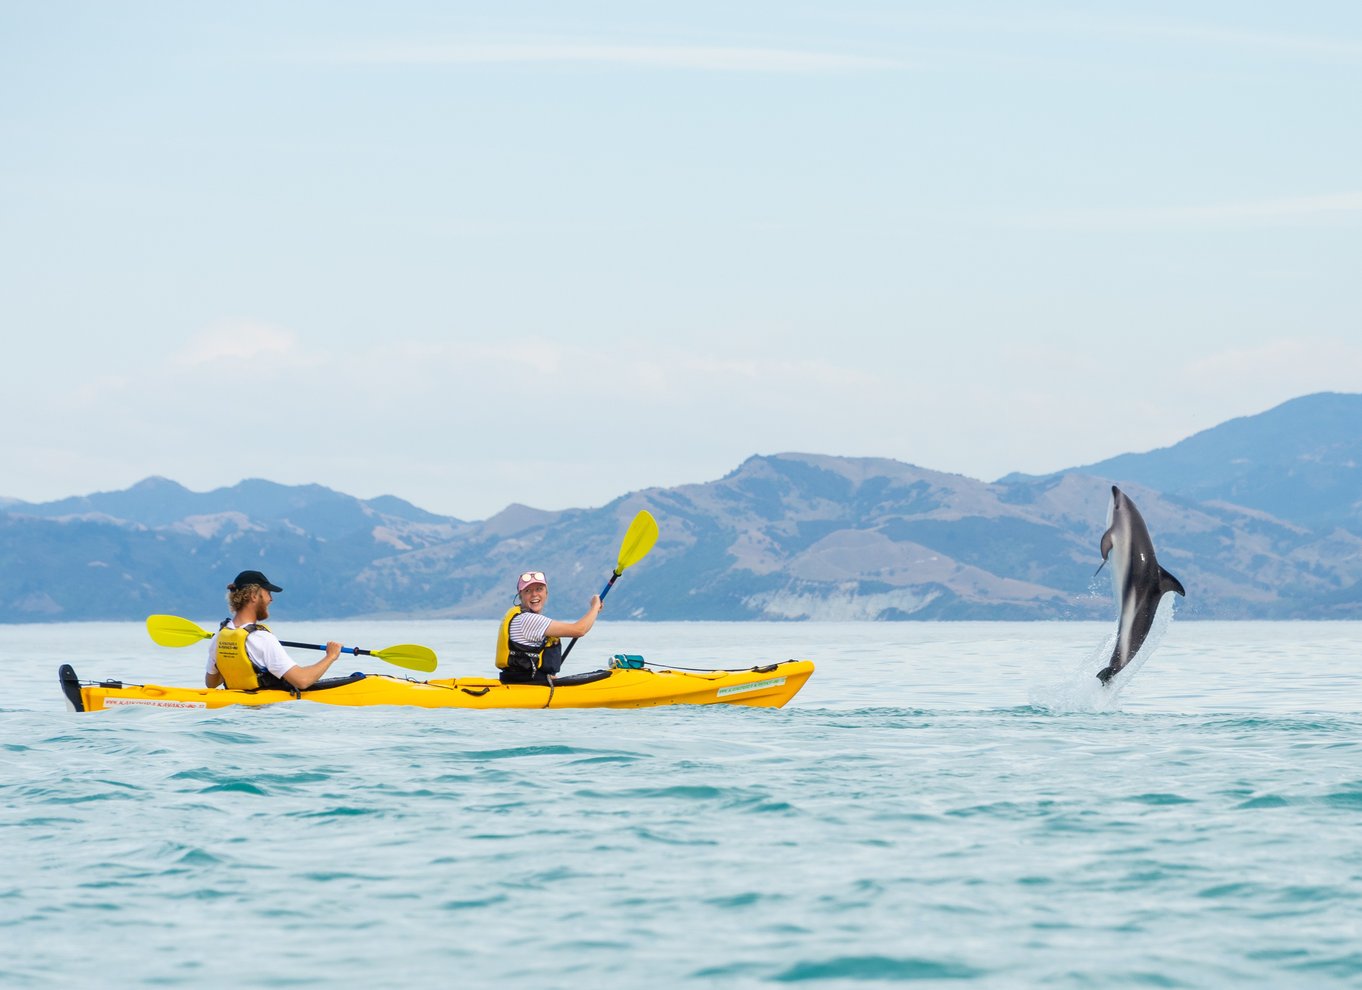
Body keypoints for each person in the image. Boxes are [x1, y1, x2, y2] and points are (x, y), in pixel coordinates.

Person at [205, 569, 344, 692]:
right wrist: (331, 656)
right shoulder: (262, 638)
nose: (271, 599)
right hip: (262, 713)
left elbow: (211, 683)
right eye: (268, 593)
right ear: (253, 595)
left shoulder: (219, 636)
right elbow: (302, 681)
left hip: (238, 709)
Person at [495, 570, 602, 684]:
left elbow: (581, 629)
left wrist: (594, 611)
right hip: (526, 686)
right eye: (528, 591)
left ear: (546, 593)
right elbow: (579, 630)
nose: (534, 594)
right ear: (520, 596)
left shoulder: (520, 617)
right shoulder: (528, 620)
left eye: (539, 589)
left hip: (523, 682)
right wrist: (595, 606)